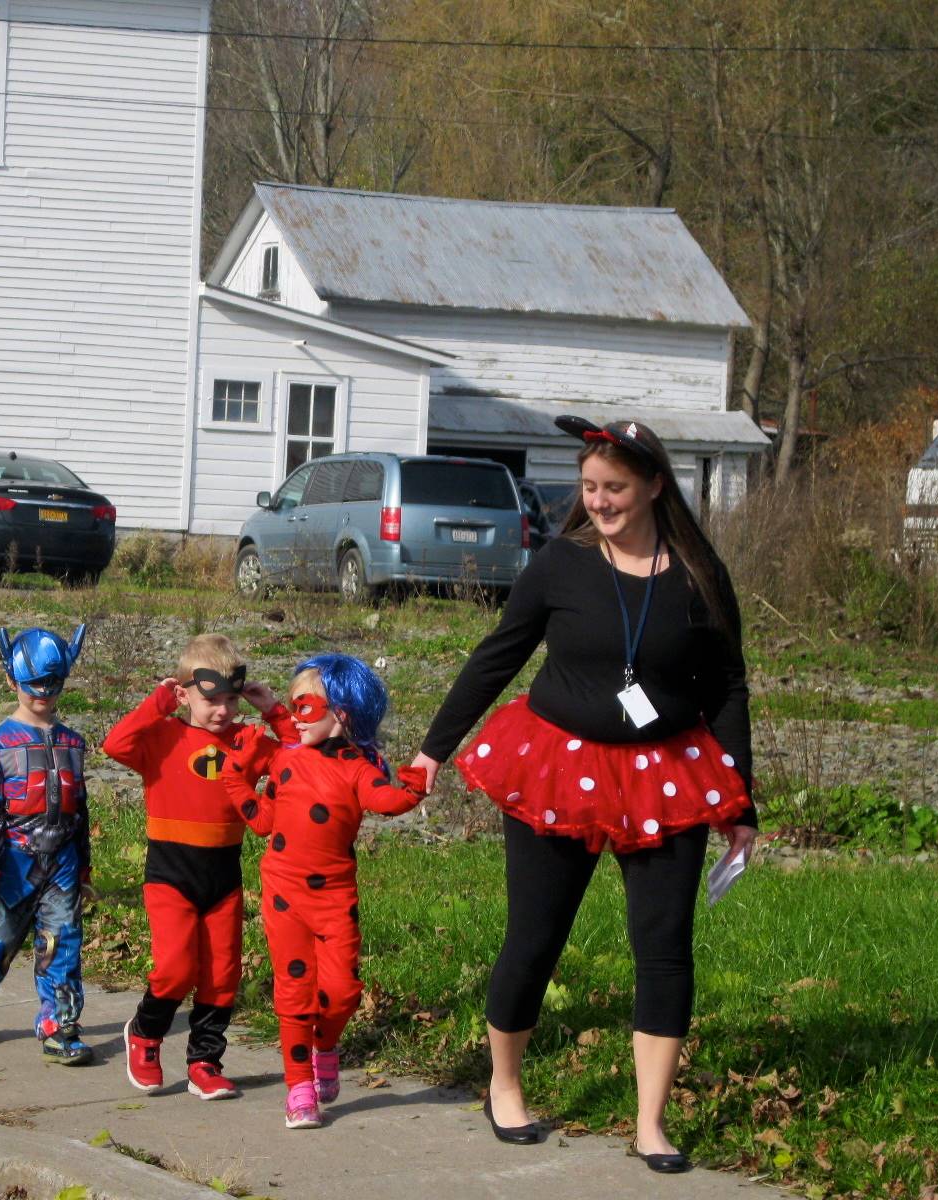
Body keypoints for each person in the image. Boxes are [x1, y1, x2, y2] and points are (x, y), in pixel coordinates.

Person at [410, 416, 757, 1172]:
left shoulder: (699, 573)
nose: (598, 502)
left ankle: (650, 1123)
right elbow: (498, 654)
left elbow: (727, 686)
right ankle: (504, 1085)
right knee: (536, 937)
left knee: (664, 950)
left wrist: (740, 798)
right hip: (556, 769)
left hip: (668, 777)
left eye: (615, 489)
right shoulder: (560, 565)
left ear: (655, 486)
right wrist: (434, 750)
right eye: (590, 488)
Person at [222, 653, 427, 1130]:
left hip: (334, 895)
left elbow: (388, 800)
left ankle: (324, 1044)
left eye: (307, 706)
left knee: (342, 991)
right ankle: (298, 1088)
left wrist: (418, 778)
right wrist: (240, 774)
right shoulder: (286, 757)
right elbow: (263, 822)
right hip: (282, 892)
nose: (296, 716)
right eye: (294, 707)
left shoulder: (357, 768)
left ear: (343, 712)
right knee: (294, 992)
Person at [103, 633, 297, 1101]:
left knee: (222, 973)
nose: (223, 710)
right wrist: (157, 704)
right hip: (171, 874)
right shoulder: (162, 738)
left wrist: (272, 710)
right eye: (212, 700)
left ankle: (205, 1061)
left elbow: (297, 761)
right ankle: (146, 1036)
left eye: (232, 700)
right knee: (174, 967)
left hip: (223, 876)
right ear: (184, 694)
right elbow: (114, 744)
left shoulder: (248, 742)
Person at [0, 624, 95, 1065]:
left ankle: (59, 1024)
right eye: (33, 684)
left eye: (53, 683)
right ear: (12, 680)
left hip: (62, 861)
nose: (43, 692)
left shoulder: (72, 742)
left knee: (62, 940)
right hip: (11, 860)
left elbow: (80, 810)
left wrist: (83, 869)